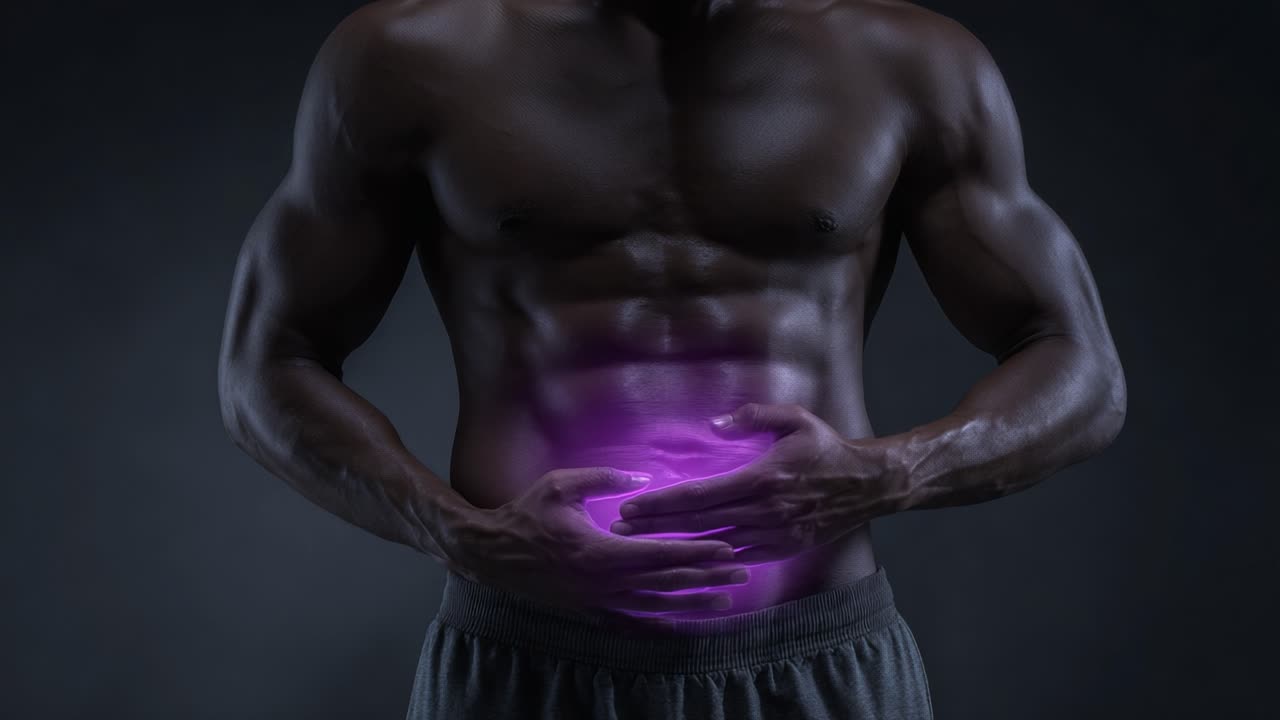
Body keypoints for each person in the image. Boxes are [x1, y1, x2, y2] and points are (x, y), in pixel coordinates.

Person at [217, 0, 1127, 717]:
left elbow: (1081, 371)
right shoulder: (408, 55)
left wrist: (882, 475)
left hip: (814, 655)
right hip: (526, 660)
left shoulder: (912, 64)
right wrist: (458, 534)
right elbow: (269, 363)